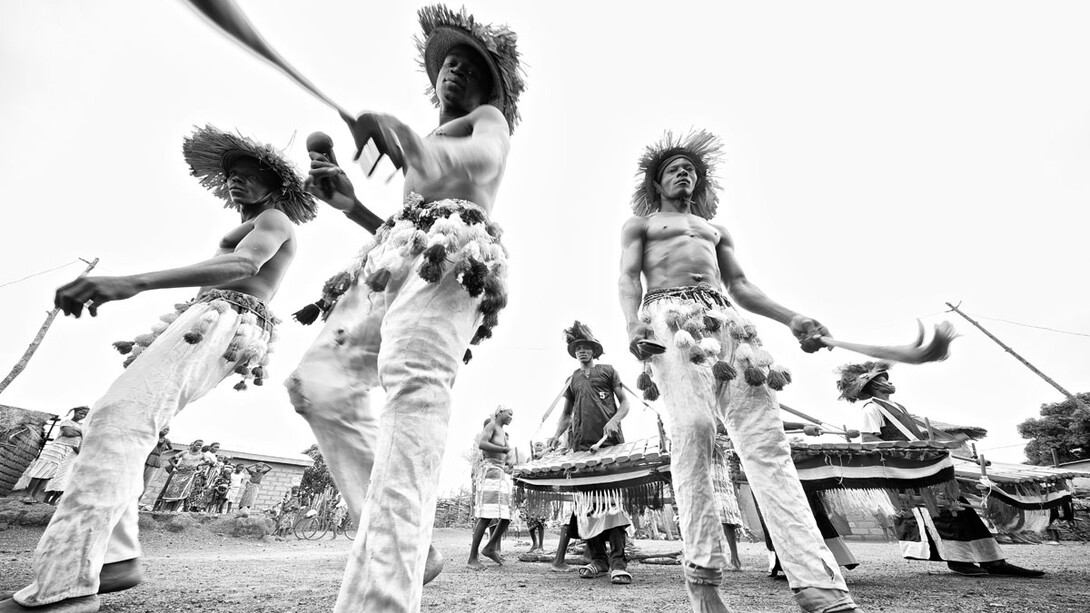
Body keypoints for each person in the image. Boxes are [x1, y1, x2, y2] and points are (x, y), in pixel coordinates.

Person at [0, 124, 314, 613]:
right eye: (233, 173)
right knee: (120, 422)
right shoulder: (251, 220)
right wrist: (154, 340)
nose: (238, 180)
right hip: (210, 317)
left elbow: (244, 268)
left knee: (117, 422)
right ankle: (115, 559)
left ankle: (61, 591)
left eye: (251, 174)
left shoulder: (273, 219)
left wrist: (134, 280)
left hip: (227, 317)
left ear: (275, 187)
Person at [284, 5, 525, 611]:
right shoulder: (424, 141)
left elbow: (478, 164)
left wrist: (410, 141)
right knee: (318, 385)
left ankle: (381, 596)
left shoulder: (485, 121)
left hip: (455, 257)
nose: (454, 70)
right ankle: (411, 548)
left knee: (413, 396)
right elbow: (406, 216)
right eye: (448, 63)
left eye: (469, 67)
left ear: (487, 86)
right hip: (395, 257)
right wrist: (351, 207)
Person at [618, 130, 862, 613]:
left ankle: (819, 585)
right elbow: (627, 278)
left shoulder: (714, 230)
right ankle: (704, 580)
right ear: (657, 181)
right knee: (693, 429)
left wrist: (793, 318)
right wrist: (632, 326)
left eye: (690, 168)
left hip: (729, 325)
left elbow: (742, 285)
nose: (683, 173)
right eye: (674, 168)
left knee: (767, 442)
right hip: (669, 323)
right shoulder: (639, 226)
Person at [837, 361, 1044, 578]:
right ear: (872, 386)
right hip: (911, 471)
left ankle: (994, 561)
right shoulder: (871, 408)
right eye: (881, 379)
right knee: (944, 512)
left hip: (926, 465)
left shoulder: (897, 407)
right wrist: (903, 460)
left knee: (960, 509)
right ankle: (959, 560)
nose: (888, 382)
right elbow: (870, 440)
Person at [546, 321, 633, 585]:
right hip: (581, 449)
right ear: (574, 352)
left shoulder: (608, 371)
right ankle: (598, 560)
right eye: (578, 348)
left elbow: (625, 403)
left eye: (586, 347)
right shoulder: (572, 379)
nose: (582, 351)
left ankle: (618, 563)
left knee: (611, 504)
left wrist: (615, 419)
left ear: (594, 350)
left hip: (609, 447)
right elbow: (565, 415)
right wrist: (556, 435)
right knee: (587, 506)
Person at [468, 406, 515, 569]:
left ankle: (489, 547)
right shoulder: (492, 425)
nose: (511, 417)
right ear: (499, 413)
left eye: (512, 415)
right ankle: (472, 558)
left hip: (499, 472)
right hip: (490, 472)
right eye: (509, 413)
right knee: (486, 516)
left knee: (506, 516)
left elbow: (507, 458)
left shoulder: (502, 431)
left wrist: (510, 463)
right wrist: (502, 449)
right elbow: (483, 444)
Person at [21, 407, 89, 503]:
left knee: (49, 473)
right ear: (75, 412)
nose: (82, 416)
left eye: (84, 415)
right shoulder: (67, 422)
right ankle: (28, 494)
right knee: (41, 470)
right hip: (56, 448)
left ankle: (35, 496)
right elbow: (68, 433)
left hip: (65, 451)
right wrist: (82, 433)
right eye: (81, 413)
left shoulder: (79, 426)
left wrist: (78, 432)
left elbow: (78, 440)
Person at [157, 439, 214, 513]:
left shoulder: (201, 455)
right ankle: (163, 509)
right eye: (197, 444)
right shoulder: (185, 452)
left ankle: (174, 510)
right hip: (178, 474)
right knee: (170, 491)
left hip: (189, 475)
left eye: (200, 446)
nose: (198, 446)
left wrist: (199, 465)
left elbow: (209, 462)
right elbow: (170, 459)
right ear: (193, 444)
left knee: (183, 492)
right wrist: (176, 466)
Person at [142, 427, 173, 495]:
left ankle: (138, 499)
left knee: (146, 481)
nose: (165, 430)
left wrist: (163, 452)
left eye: (167, 429)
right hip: (145, 457)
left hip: (154, 460)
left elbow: (171, 449)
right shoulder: (152, 437)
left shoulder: (167, 441)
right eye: (163, 428)